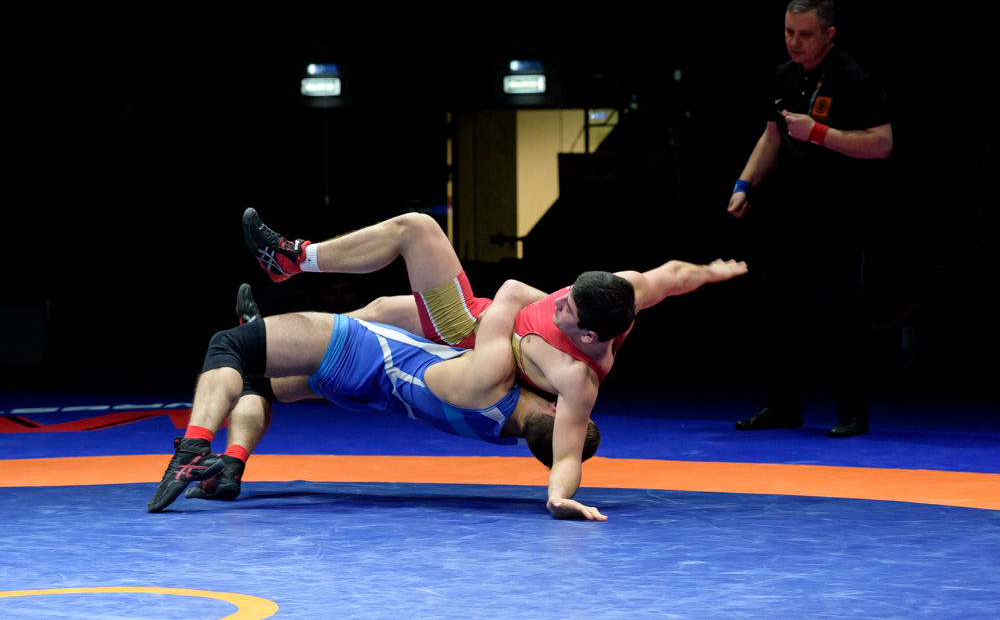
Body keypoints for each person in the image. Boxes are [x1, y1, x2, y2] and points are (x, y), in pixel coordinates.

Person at [242, 207, 748, 517]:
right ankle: (264, 344)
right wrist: (712, 271)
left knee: (416, 230)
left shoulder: (577, 379)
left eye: (567, 309)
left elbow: (567, 454)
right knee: (376, 313)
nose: (558, 300)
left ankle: (291, 262)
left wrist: (559, 498)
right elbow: (673, 275)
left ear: (590, 336)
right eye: (566, 293)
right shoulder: (623, 293)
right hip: (486, 321)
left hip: (469, 334)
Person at [148, 280, 604, 518]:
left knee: (227, 346)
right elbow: (564, 456)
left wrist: (583, 347)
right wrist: (557, 495)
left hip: (359, 348)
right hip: (364, 391)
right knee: (255, 384)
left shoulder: (494, 374)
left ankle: (194, 448)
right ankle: (230, 465)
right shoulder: (499, 430)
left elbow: (511, 294)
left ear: (555, 408)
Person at [727, 0, 893, 437]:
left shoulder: (853, 77)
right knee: (778, 309)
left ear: (828, 34)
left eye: (805, 35)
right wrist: (744, 184)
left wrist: (819, 133)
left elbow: (881, 143)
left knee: (838, 313)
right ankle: (782, 406)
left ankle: (853, 412)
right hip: (787, 211)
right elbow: (771, 137)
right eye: (788, 32)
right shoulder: (784, 75)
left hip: (840, 213)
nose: (794, 42)